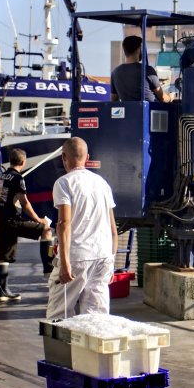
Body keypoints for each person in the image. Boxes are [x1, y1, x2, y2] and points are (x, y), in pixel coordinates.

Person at [46, 137, 117, 320]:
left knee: (59, 312)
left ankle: (60, 348)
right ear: (87, 157)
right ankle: (93, 348)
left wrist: (64, 263)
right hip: (103, 256)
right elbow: (112, 227)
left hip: (77, 255)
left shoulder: (63, 183)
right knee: (97, 315)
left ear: (64, 157)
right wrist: (111, 260)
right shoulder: (102, 183)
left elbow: (63, 223)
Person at [0, 148, 54, 302]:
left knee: (3, 256)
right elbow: (24, 203)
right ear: (23, 162)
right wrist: (38, 219)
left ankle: (2, 292)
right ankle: (48, 267)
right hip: (12, 221)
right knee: (46, 229)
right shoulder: (18, 178)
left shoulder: (0, 176)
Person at [110, 34, 171, 102]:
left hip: (128, 111)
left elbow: (113, 99)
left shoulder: (115, 73)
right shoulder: (147, 70)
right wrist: (171, 97)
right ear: (139, 49)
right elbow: (163, 98)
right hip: (150, 110)